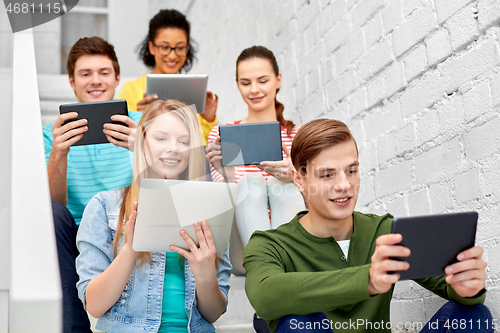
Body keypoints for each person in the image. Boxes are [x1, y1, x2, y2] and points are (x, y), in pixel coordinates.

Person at [243, 118, 492, 333]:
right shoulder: (270, 244)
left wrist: (467, 287)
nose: (344, 185)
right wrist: (367, 280)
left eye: (351, 171)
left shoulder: (384, 232)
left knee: (473, 316)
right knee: (297, 320)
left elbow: (451, 286)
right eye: (328, 175)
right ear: (299, 179)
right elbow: (265, 297)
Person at [76, 100, 231, 333]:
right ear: (142, 142)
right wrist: (131, 248)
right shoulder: (103, 207)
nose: (174, 148)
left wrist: (205, 273)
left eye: (184, 141)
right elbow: (94, 306)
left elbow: (214, 313)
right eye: (161, 138)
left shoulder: (209, 208)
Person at [43, 36, 141, 332]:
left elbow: (169, 186)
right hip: (75, 234)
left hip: (127, 226)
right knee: (50, 212)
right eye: (86, 74)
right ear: (72, 82)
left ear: (117, 78)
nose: (95, 81)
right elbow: (53, 202)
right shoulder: (53, 133)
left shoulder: (141, 124)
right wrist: (60, 153)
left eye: (104, 72)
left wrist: (143, 149)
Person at [206, 45, 306, 247]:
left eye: (263, 81)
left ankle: (279, 266)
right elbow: (221, 210)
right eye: (245, 83)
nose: (254, 90)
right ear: (237, 84)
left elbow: (318, 197)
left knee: (283, 185)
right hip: (242, 243)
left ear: (278, 80)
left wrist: (296, 175)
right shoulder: (221, 134)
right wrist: (227, 175)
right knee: (251, 182)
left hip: (293, 235)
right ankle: (264, 262)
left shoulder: (298, 135)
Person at [118, 9, 218, 144]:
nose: (172, 55)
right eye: (165, 47)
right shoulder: (130, 89)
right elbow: (126, 143)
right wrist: (140, 117)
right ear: (152, 47)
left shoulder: (194, 89)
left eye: (180, 47)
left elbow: (203, 146)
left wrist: (208, 119)